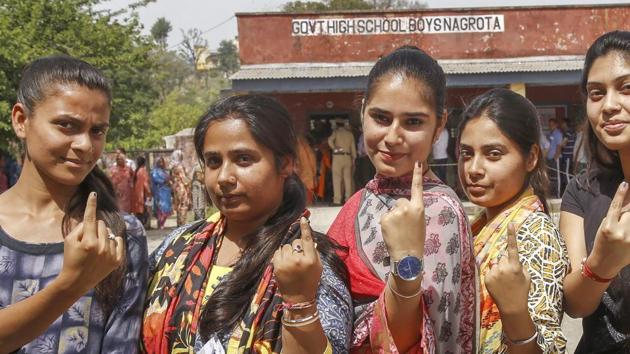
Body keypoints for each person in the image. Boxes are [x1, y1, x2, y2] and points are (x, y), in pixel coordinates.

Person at [142, 94, 352, 353]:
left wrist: (300, 303)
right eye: (213, 162)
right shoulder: (177, 248)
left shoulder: (309, 264)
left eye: (243, 159)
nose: (224, 178)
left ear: (285, 163)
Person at [327, 46, 476, 353]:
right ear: (362, 112)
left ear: (438, 126)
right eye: (381, 118)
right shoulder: (357, 203)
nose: (393, 137)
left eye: (412, 123)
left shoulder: (440, 213)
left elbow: (436, 334)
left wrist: (406, 260)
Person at [0, 55, 147, 353]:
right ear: (20, 120)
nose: (85, 145)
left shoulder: (118, 235)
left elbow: (121, 345)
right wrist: (71, 285)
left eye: (97, 131)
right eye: (66, 125)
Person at [457, 88, 569, 353]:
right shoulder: (479, 224)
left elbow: (549, 348)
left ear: (530, 157)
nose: (473, 169)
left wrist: (514, 310)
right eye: (467, 154)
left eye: (493, 154)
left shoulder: (536, 234)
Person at [560, 30, 630, 353]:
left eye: (626, 88)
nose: (610, 105)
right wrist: (601, 262)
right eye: (596, 93)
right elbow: (575, 304)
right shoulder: (581, 191)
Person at [328, 119, 356, 205]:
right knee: (348, 179)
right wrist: (354, 158)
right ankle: (348, 199)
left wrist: (334, 148)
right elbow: (353, 148)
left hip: (338, 157)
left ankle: (337, 200)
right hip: (348, 157)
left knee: (337, 179)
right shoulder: (350, 134)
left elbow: (330, 140)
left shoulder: (336, 132)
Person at [150, 157, 173, 230]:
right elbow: (155, 179)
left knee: (166, 208)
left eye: (162, 162)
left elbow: (169, 179)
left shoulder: (164, 171)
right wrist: (164, 181)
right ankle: (160, 224)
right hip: (159, 192)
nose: (161, 163)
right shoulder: (155, 171)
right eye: (159, 162)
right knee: (160, 208)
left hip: (166, 192)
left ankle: (162, 223)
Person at [296, 135, 317, 205]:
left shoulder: (299, 144)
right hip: (306, 171)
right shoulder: (303, 146)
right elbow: (312, 159)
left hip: (302, 172)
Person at [545, 118, 563, 198]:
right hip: (549, 158)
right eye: (549, 125)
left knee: (556, 177)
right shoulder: (550, 134)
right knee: (551, 177)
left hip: (555, 159)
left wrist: (556, 157)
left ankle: (558, 194)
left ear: (556, 125)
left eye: (552, 125)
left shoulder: (558, 134)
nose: (550, 126)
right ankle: (552, 193)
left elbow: (559, 146)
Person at [132, 156, 152, 227]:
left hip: (137, 194)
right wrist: (149, 192)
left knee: (139, 211)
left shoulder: (136, 171)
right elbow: (145, 183)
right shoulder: (142, 171)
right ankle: (143, 226)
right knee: (144, 210)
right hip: (142, 194)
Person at [559, 119, 576, 194]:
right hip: (569, 156)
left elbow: (563, 144)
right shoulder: (572, 132)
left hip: (567, 156)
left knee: (566, 174)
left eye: (562, 123)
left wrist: (559, 144)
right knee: (567, 173)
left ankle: (570, 191)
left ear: (565, 124)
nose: (561, 125)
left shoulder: (568, 133)